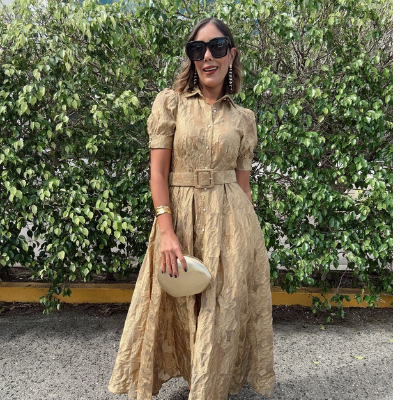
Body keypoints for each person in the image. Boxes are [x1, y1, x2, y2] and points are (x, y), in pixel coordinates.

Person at [108, 17, 276, 399]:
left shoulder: (244, 119)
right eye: (198, 49)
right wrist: (166, 231)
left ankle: (208, 389)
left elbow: (243, 186)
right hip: (180, 220)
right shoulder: (171, 104)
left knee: (221, 309)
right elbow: (158, 173)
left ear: (231, 54)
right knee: (177, 304)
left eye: (217, 47)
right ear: (191, 57)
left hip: (232, 225)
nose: (208, 57)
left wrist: (250, 245)